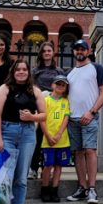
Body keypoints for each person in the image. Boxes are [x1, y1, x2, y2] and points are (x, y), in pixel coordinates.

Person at [0, 60, 46, 204]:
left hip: (28, 135)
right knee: (4, 177)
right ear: (13, 72)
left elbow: (44, 116)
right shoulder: (5, 88)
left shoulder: (35, 90)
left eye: (24, 69)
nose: (21, 72)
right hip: (7, 133)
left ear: (28, 72)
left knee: (21, 178)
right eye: (18, 69)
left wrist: (31, 117)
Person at [64, 39, 103, 204]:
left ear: (89, 51)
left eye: (82, 49)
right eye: (76, 49)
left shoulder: (96, 68)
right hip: (72, 119)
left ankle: (92, 189)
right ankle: (82, 188)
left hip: (89, 117)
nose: (79, 52)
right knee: (78, 153)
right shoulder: (70, 73)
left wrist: (92, 111)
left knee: (90, 151)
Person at [30, 41, 65, 179]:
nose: (47, 53)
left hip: (55, 107)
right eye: (44, 51)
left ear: (53, 52)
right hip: (40, 106)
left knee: (50, 137)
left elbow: (63, 88)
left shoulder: (59, 71)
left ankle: (47, 169)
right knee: (38, 138)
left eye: (49, 51)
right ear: (41, 53)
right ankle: (33, 168)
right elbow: (31, 88)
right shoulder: (35, 70)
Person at [39, 74, 71, 202]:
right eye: (58, 83)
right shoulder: (46, 100)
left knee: (58, 166)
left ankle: (54, 190)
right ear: (52, 85)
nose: (60, 86)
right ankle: (45, 189)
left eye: (63, 85)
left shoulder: (66, 101)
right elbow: (42, 119)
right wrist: (47, 135)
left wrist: (58, 135)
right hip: (48, 140)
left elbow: (66, 118)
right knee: (48, 165)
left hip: (62, 141)